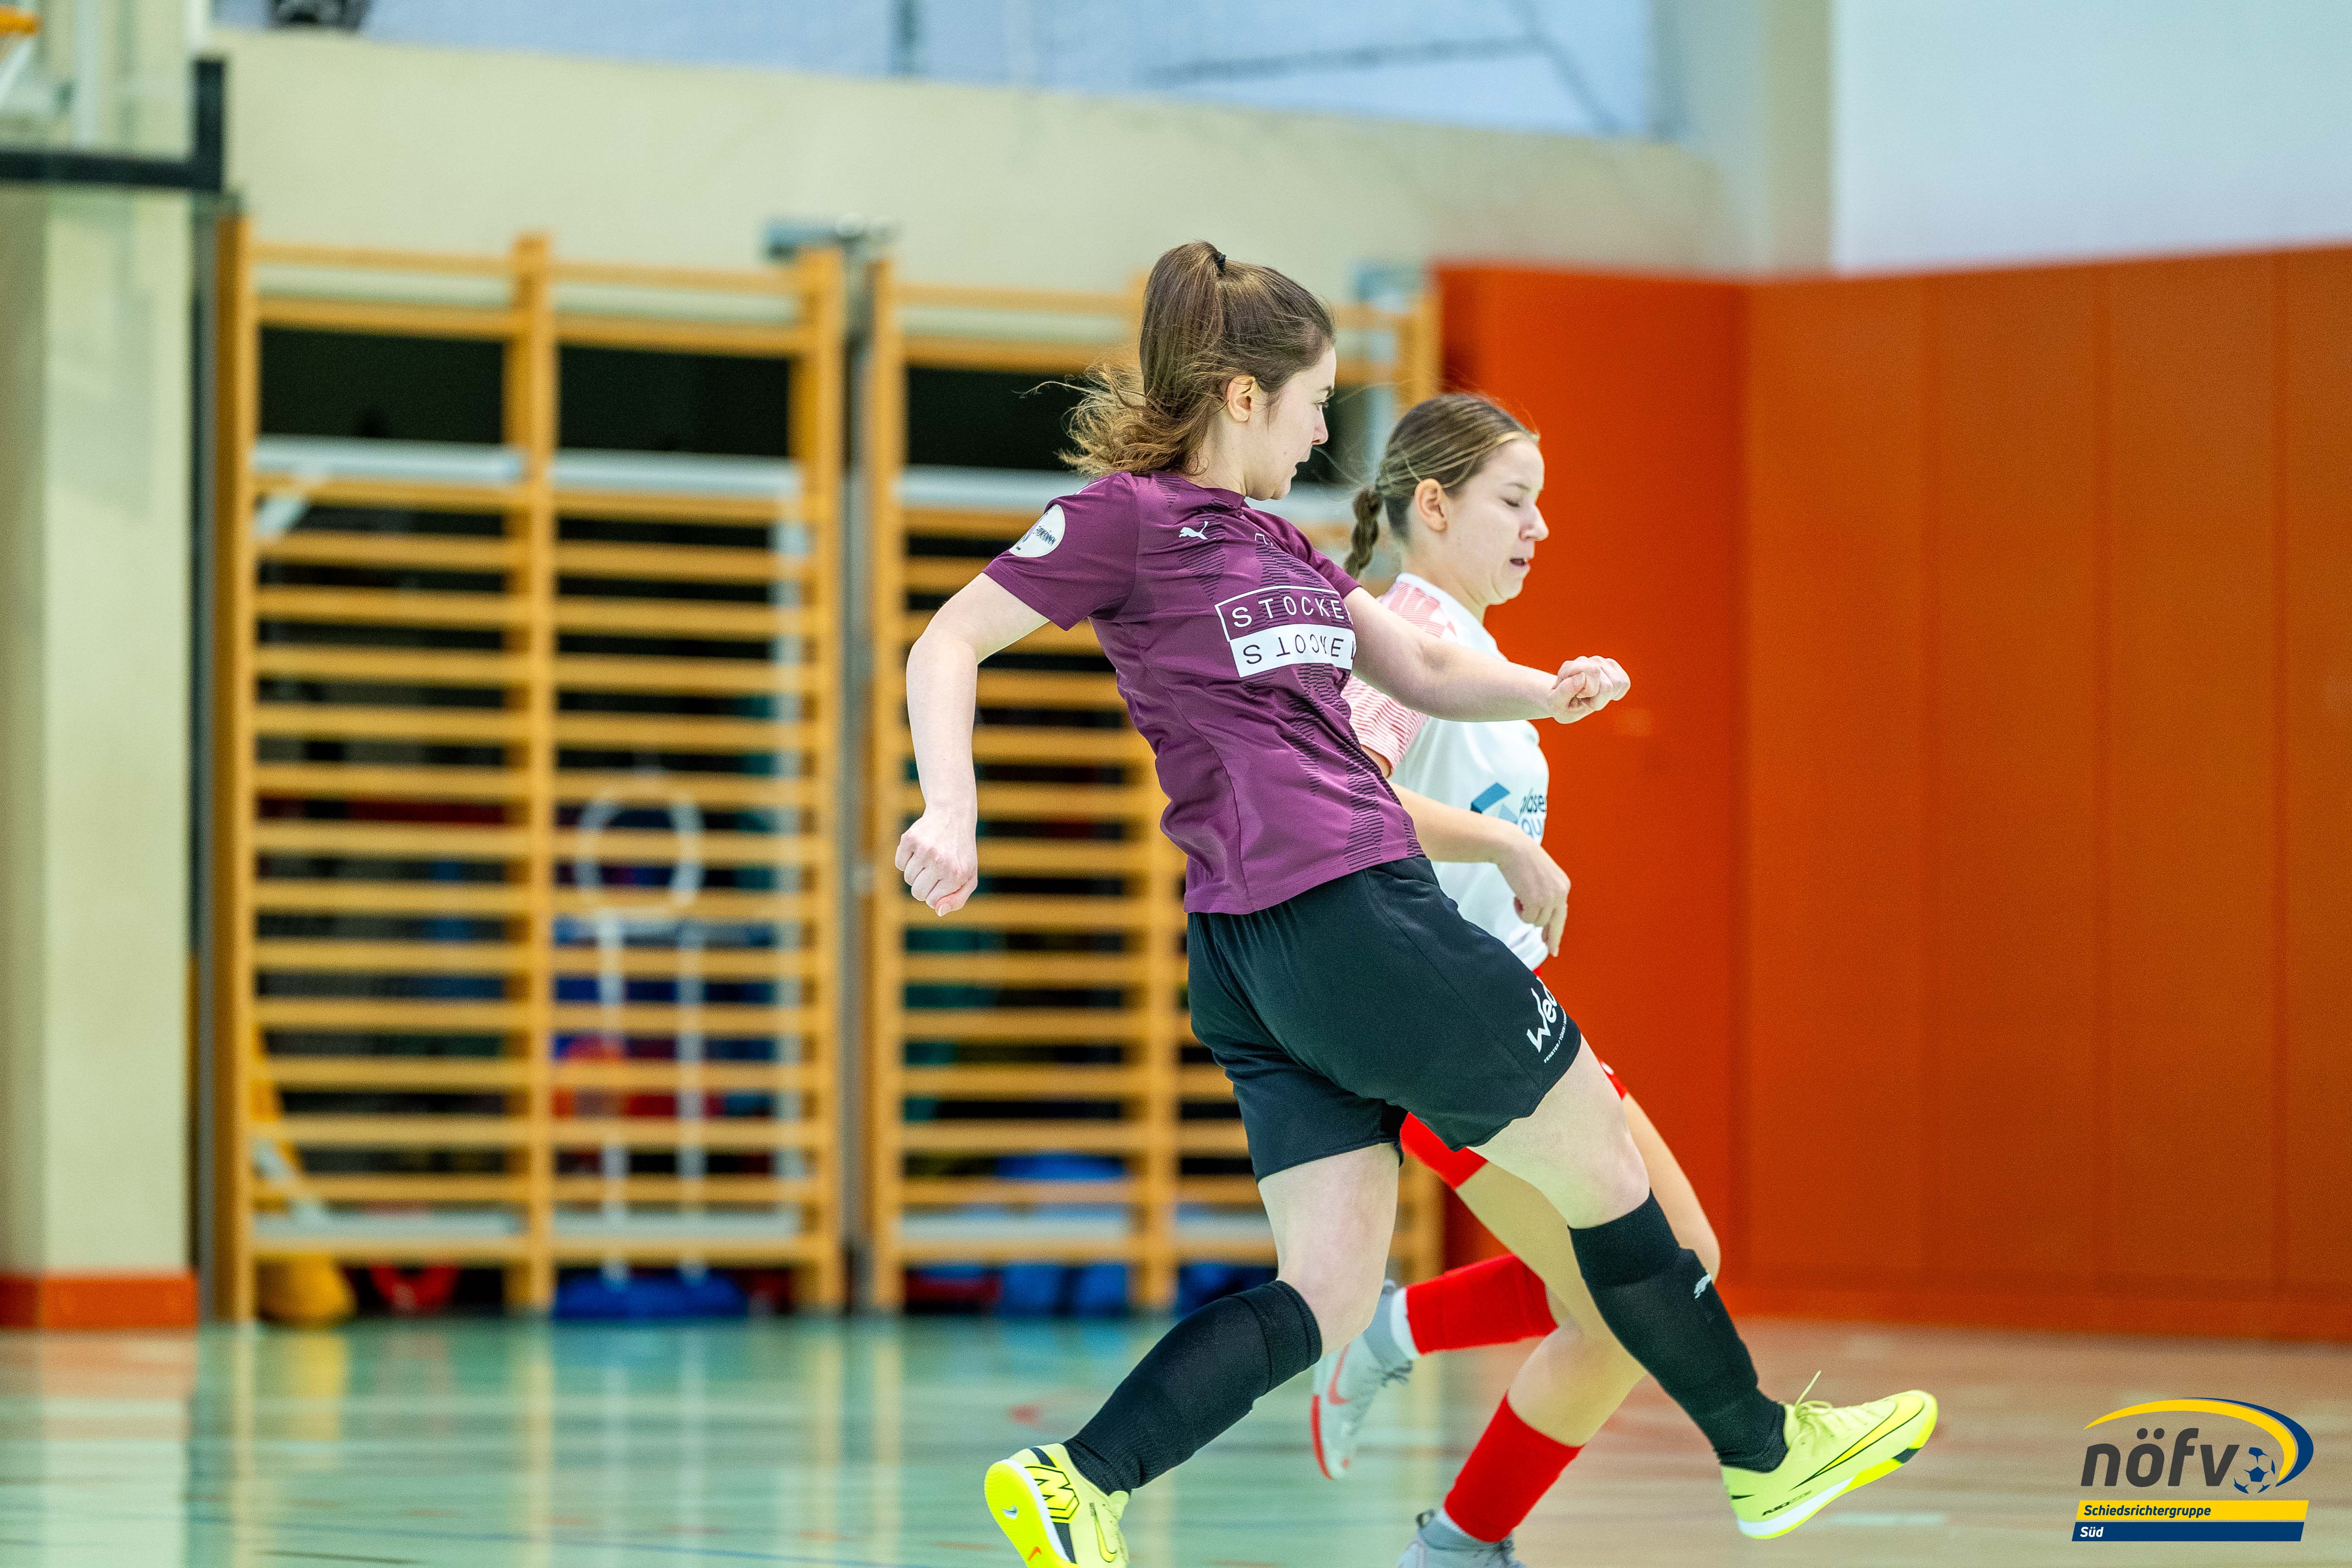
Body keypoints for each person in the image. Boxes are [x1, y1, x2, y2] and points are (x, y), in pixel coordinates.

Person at [893, 241, 1936, 1568]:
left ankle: (1079, 1479)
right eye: (1316, 403)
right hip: (1350, 912)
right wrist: (952, 808)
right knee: (1618, 1187)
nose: (1325, 433)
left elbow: (1425, 672)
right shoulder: (1127, 521)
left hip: (1261, 956)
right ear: (1245, 398)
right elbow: (951, 638)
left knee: (1326, 1294)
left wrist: (1550, 691)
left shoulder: (1281, 542)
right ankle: (1764, 1453)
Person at [1307, 393, 1725, 1568]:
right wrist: (1503, 845)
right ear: (1434, 507)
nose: (1540, 528)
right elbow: (1345, 796)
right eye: (1515, 501)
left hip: (1507, 1022)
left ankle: (1400, 1360)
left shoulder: (1470, 652)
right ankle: (1455, 1538)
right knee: (1651, 1289)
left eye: (1543, 503)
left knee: (1650, 1283)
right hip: (1446, 1037)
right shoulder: (1404, 635)